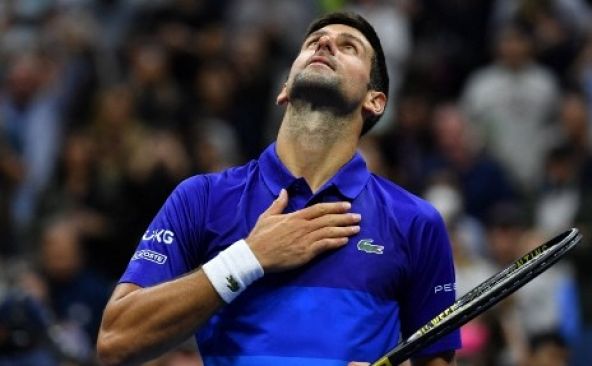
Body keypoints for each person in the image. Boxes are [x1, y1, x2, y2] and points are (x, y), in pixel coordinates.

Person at [97, 12, 460, 366]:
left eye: (349, 46)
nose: (326, 44)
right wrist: (248, 258)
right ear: (284, 89)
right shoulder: (201, 198)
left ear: (375, 100)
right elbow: (116, 341)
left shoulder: (416, 222)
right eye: (313, 43)